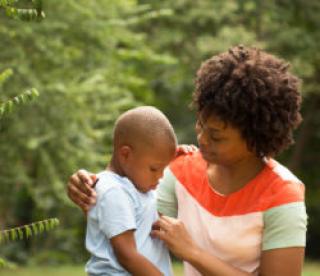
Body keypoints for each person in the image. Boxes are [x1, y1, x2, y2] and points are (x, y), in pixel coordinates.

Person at [68, 46, 307, 276]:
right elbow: (127, 225)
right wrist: (92, 191)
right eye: (201, 125)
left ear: (255, 138)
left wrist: (193, 252)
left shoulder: (282, 195)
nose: (201, 140)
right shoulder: (179, 171)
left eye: (216, 136)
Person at [84, 106, 177, 276]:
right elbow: (127, 256)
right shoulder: (113, 190)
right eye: (154, 169)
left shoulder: (138, 186)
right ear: (125, 155)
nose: (160, 177)